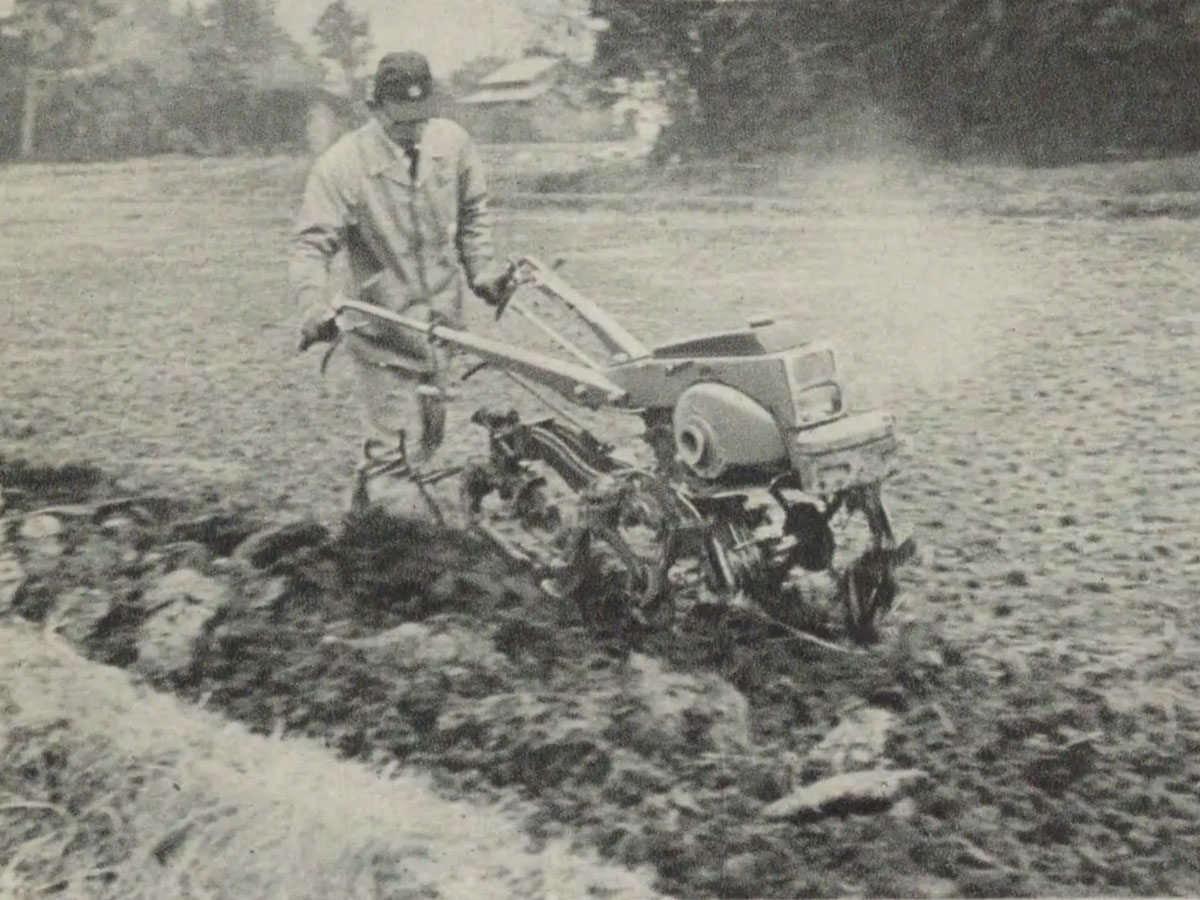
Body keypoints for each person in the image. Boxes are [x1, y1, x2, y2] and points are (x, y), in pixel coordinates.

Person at [289, 50, 513, 511]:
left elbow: (473, 215)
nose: (412, 131)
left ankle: (361, 525)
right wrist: (314, 306)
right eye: (400, 123)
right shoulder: (343, 165)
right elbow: (311, 244)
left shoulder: (452, 144)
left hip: (441, 328)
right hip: (383, 332)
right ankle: (392, 525)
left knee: (426, 442)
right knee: (395, 456)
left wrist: (483, 273)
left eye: (420, 120)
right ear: (374, 108)